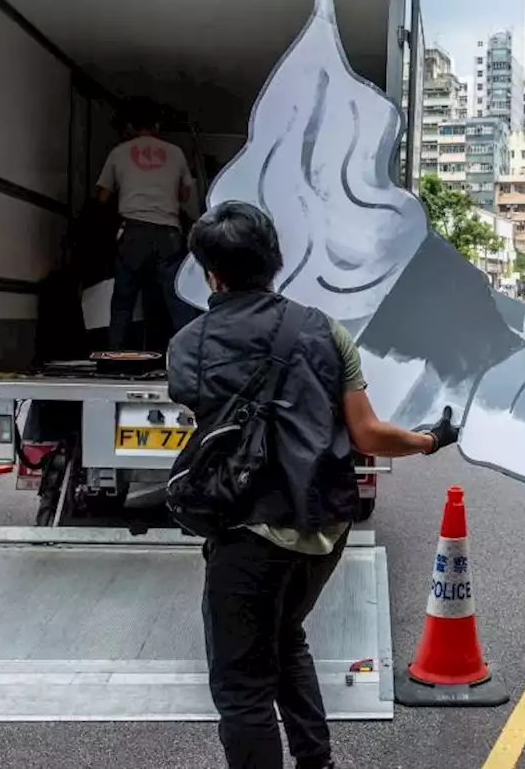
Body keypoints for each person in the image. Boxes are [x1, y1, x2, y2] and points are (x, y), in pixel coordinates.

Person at [167, 202, 460, 769]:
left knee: (242, 686)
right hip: (323, 525)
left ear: (210, 272)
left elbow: (200, 417)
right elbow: (368, 434)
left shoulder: (189, 345)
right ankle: (315, 761)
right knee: (285, 637)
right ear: (276, 260)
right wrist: (427, 440)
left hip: (248, 529)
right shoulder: (325, 330)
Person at [97, 98, 199, 351]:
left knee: (123, 301)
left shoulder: (119, 152)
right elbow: (186, 195)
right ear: (157, 125)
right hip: (168, 233)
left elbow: (102, 197)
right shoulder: (175, 152)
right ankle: (186, 359)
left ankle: (114, 360)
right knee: (177, 300)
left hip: (132, 231)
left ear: (130, 126)